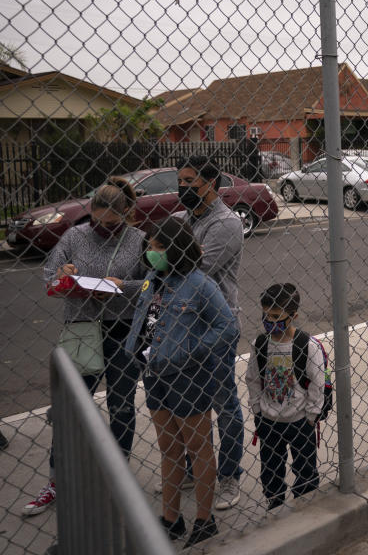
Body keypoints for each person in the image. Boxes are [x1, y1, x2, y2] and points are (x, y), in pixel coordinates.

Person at [23, 178, 148, 517]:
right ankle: (56, 479)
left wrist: (125, 287)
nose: (103, 228)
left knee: (122, 406)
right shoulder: (76, 235)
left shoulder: (138, 240)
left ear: (126, 216)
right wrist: (64, 274)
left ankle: (116, 477)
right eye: (97, 221)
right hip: (81, 327)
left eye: (111, 224)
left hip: (122, 331)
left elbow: (153, 284)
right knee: (72, 408)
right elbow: (50, 274)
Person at [125, 218, 239, 546]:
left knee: (198, 448)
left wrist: (189, 350)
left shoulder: (200, 284)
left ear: (175, 249)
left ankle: (204, 520)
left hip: (188, 378)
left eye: (158, 247)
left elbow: (227, 327)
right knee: (169, 450)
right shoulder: (153, 278)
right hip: (155, 374)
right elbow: (144, 319)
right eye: (150, 246)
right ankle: (170, 518)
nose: (151, 252)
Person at [172, 155, 245, 510]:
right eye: (181, 181)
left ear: (211, 184)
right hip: (182, 326)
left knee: (223, 404)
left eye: (191, 182)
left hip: (217, 326)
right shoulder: (181, 220)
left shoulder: (226, 224)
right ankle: (193, 467)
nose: (184, 188)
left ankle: (229, 476)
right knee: (187, 404)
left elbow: (197, 268)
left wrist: (171, 256)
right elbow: (166, 257)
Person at [246, 283, 332, 510]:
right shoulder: (260, 344)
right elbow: (253, 379)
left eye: (276, 316)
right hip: (269, 421)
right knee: (270, 469)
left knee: (305, 468)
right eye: (265, 315)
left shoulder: (307, 345)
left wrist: (312, 415)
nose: (269, 321)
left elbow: (317, 383)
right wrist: (257, 410)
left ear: (293, 316)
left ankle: (304, 504)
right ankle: (275, 502)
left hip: (300, 421)